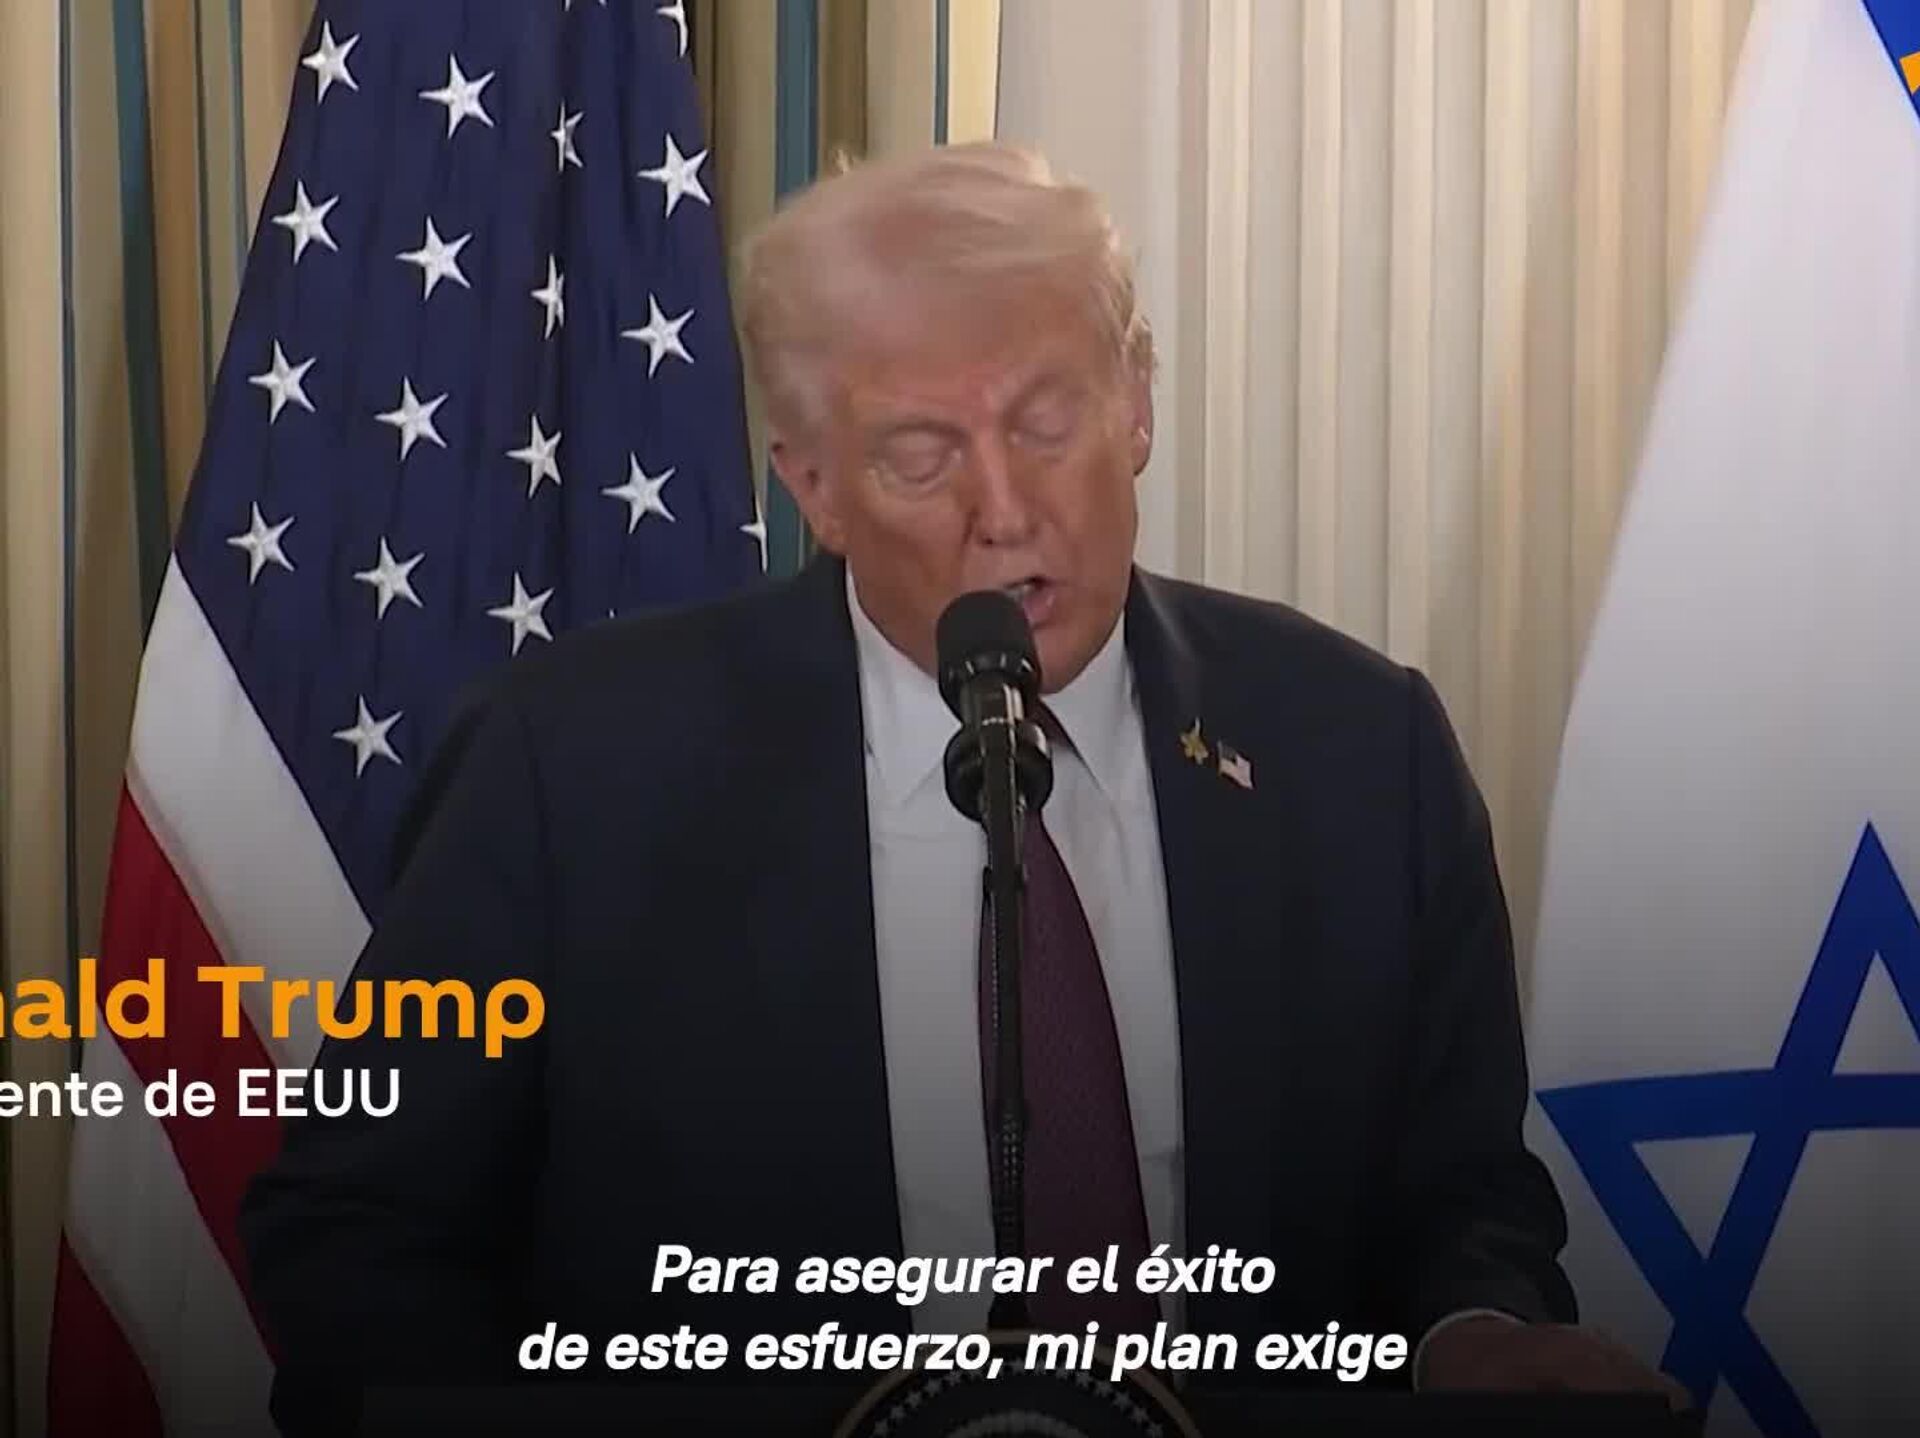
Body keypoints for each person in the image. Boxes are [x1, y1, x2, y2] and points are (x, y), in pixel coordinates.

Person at [242, 143, 1676, 1426]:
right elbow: (361, 1231)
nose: (1005, 507)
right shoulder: (574, 769)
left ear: (1138, 404)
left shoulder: (1361, 753)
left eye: (1048, 422)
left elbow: (1463, 1202)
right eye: (923, 456)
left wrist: (1477, 1337)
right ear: (813, 485)